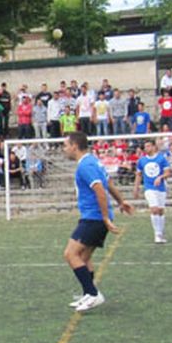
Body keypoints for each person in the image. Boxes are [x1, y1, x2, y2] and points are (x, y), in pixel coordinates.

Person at [63, 131, 133, 312]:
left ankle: (93, 294)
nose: (64, 149)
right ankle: (88, 293)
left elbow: (101, 190)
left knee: (70, 254)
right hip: (94, 217)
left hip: (93, 218)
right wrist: (121, 202)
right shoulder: (94, 162)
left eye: (66, 145)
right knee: (84, 258)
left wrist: (104, 218)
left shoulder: (85, 165)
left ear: (74, 146)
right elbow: (109, 184)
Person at [133, 140, 172, 243]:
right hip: (149, 188)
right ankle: (157, 234)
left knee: (160, 211)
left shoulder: (161, 159)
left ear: (154, 147)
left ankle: (160, 233)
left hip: (161, 188)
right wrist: (136, 188)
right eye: (145, 147)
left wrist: (160, 177)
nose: (146, 148)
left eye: (148, 146)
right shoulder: (141, 161)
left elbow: (168, 173)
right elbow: (138, 175)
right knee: (154, 209)